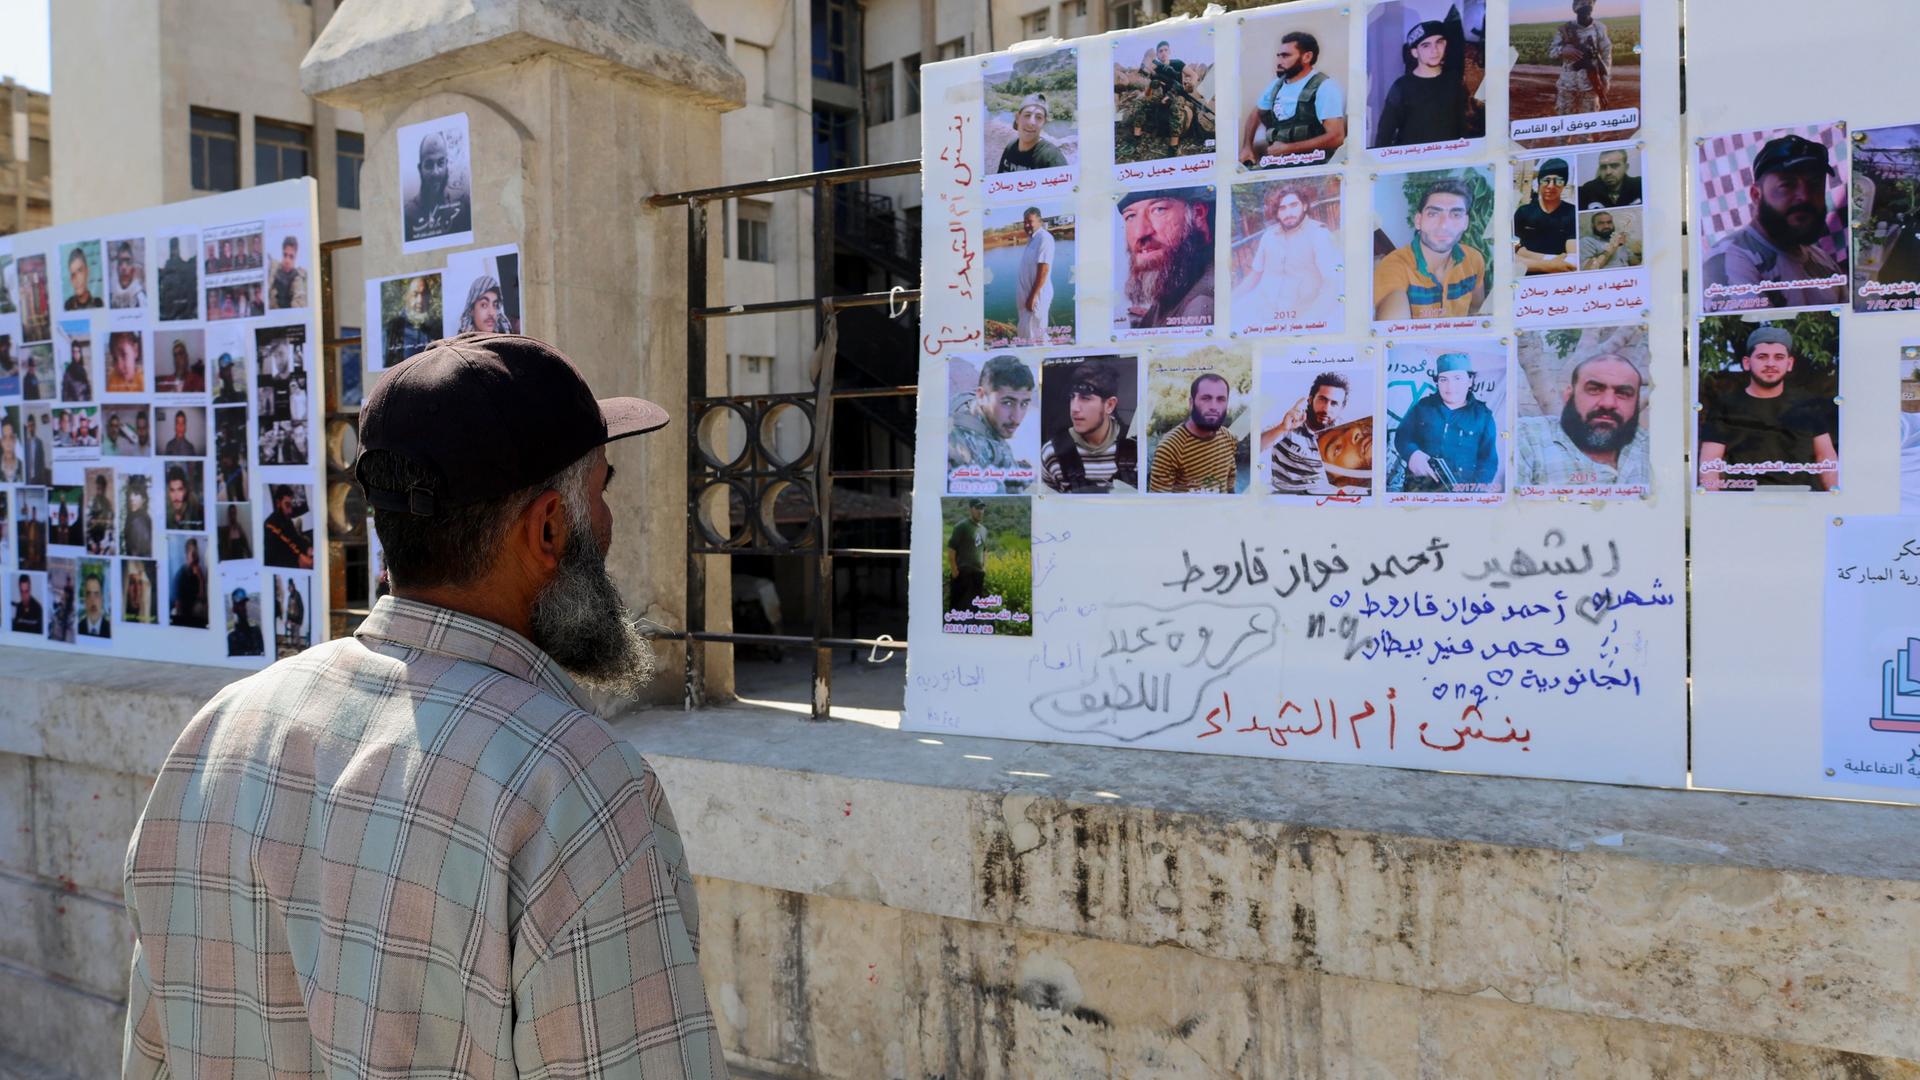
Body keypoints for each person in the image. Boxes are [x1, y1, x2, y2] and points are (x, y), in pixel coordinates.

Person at [124, 332, 720, 1077]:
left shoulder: (217, 733)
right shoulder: (575, 789)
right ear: (547, 529)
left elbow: (153, 1051)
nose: (607, 522)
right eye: (601, 491)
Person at [1703, 135, 1847, 309]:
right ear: (1757, 195)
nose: (1804, 196)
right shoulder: (1730, 260)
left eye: (1814, 185)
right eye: (1787, 185)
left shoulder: (1824, 262)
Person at [1698, 326, 1838, 490]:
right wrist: (1715, 508)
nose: (1770, 363)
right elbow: (1710, 463)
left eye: (1778, 357)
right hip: (1744, 504)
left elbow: (1826, 458)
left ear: (1789, 363)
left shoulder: (1808, 405)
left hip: (1802, 501)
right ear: (1747, 363)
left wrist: (1834, 498)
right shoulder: (1725, 406)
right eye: (1762, 357)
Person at [1515, 353, 1651, 489]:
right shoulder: (1526, 436)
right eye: (1595, 389)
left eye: (1623, 393)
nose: (1608, 403)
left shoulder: (1651, 448)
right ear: (1569, 396)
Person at [1374, 178, 1488, 320]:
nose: (1444, 225)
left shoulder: (1474, 259)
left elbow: (1476, 309)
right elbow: (1393, 329)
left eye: (1456, 214)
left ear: (1466, 223)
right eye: (1433, 214)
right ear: (1418, 221)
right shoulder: (1393, 266)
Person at [1393, 352, 1498, 492]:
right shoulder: (1423, 406)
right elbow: (1402, 437)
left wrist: (1474, 493)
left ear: (1470, 380)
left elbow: (1488, 461)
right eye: (1443, 379)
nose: (1450, 386)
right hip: (1418, 490)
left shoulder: (1483, 415)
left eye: (1457, 378)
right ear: (1437, 382)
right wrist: (1413, 454)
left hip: (1459, 495)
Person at [1236, 183, 1340, 325]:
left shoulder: (1319, 235)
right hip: (1265, 314)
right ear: (1277, 213)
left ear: (1304, 206)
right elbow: (1255, 275)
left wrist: (1308, 321)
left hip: (1303, 316)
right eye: (1282, 208)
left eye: (1293, 205)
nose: (1288, 213)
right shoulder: (1269, 236)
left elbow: (1332, 284)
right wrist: (1229, 301)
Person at [1240, 30, 1347, 167]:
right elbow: (1256, 113)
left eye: (1285, 56)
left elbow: (1336, 137)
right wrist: (1247, 147)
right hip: (1278, 164)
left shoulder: (1325, 87)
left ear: (1307, 57)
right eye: (1278, 56)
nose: (1279, 62)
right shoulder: (1276, 86)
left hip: (1314, 166)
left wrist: (1288, 148)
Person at [1119, 188, 1215, 328]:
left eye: (1159, 210)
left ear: (1198, 213)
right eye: (1131, 216)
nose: (1140, 232)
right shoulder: (1176, 282)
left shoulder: (1201, 305)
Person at [1041, 362, 1138, 493]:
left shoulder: (1138, 449)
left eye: (1085, 398)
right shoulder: (1052, 454)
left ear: (1109, 405)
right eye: (1072, 397)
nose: (1074, 408)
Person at [947, 355, 1035, 494]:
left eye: (1024, 403)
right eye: (1007, 402)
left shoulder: (970, 406)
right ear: (981, 396)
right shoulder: (966, 442)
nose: (1017, 417)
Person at [1374, 20, 1467, 147]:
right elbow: (1384, 135)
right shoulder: (1401, 87)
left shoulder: (1454, 81)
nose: (1434, 50)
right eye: (1426, 45)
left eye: (1439, 42)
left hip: (1450, 159)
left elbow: (1463, 127)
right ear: (1414, 52)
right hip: (1412, 160)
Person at [1148, 373, 1238, 493]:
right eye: (1206, 398)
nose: (1214, 406)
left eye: (1221, 399)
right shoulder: (1170, 447)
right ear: (1191, 403)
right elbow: (1158, 504)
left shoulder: (1228, 438)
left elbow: (1230, 487)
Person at [1267, 371, 1350, 495]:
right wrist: (1282, 428)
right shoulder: (1289, 422)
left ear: (1342, 407)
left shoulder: (1345, 432)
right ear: (1311, 400)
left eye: (1334, 403)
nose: (1326, 409)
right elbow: (1256, 447)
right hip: (1285, 498)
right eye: (1322, 399)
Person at [1549, 1, 1612, 125]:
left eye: (1589, 5)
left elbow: (1606, 55)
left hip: (1591, 86)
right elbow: (1551, 52)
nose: (1586, 8)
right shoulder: (1565, 29)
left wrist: (1606, 78)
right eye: (1582, 5)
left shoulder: (1599, 28)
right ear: (1575, 9)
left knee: (1588, 127)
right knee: (1563, 126)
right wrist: (1563, 50)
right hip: (1567, 86)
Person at [1513, 158, 1578, 276]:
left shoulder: (1572, 213)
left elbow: (1572, 261)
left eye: (1558, 181)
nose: (1551, 186)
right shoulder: (1523, 212)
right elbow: (1510, 254)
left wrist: (1526, 254)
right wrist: (1549, 264)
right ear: (1538, 182)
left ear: (1564, 185)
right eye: (1546, 180)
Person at [403, 132, 473, 240]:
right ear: (420, 169)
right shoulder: (407, 216)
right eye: (429, 165)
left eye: (440, 163)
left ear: (446, 164)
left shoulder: (463, 203)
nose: (436, 172)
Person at [996, 92, 1068, 173]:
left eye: (1038, 117)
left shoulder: (1052, 157)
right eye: (1027, 115)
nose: (1031, 123)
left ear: (1044, 123)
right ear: (1017, 118)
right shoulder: (1010, 147)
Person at [1014, 207, 1055, 345]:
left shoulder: (1045, 238)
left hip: (1037, 295)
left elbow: (1043, 269)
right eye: (1024, 222)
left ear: (1040, 221)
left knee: (1037, 335)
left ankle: (1041, 361)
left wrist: (1033, 296)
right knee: (1027, 332)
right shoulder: (1032, 239)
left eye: (1030, 221)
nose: (1026, 225)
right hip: (1027, 295)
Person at [385, 275, 440, 368]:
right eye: (415, 294)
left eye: (424, 294)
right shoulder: (392, 330)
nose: (420, 300)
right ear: (406, 296)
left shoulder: (437, 327)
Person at [947, 497, 990, 616]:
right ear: (971, 509)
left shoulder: (984, 530)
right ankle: (954, 628)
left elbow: (985, 550)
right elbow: (951, 549)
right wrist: (954, 569)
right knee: (957, 605)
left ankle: (972, 629)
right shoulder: (961, 526)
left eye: (982, 509)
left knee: (975, 606)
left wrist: (984, 567)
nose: (980, 511)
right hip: (962, 572)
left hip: (978, 573)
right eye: (977, 508)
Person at [263, 484, 313, 569]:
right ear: (278, 503)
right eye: (287, 505)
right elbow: (287, 543)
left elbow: (295, 538)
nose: (290, 510)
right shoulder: (270, 524)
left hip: (292, 558)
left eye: (291, 505)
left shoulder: (287, 520)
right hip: (280, 565)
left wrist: (307, 548)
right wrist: (299, 557)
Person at [1578, 148, 1643, 209]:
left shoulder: (1640, 185)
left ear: (1626, 167)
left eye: (1614, 166)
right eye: (1603, 167)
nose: (1608, 172)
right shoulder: (1587, 190)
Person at [168, 536, 208, 627]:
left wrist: (200, 578)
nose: (196, 557)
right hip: (181, 611)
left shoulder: (198, 572)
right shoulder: (181, 575)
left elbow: (202, 597)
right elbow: (178, 605)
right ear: (187, 555)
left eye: (197, 554)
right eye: (193, 554)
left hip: (192, 607)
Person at [155, 237, 195, 318]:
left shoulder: (183, 266)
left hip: (182, 307)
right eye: (172, 248)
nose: (173, 251)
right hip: (170, 307)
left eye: (174, 248)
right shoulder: (168, 265)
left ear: (177, 248)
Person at [270, 236, 308, 310]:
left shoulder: (297, 277)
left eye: (291, 257)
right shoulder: (274, 273)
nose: (287, 260)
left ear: (295, 257)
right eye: (285, 255)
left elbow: (299, 303)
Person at [225, 588, 263, 656]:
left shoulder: (256, 630)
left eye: (245, 604)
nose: (244, 607)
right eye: (241, 605)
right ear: (234, 608)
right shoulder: (232, 636)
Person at [165, 464, 203, 530]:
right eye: (172, 490)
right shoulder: (163, 510)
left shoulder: (194, 506)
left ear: (185, 490)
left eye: (180, 489)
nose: (176, 496)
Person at [123, 476, 153, 558]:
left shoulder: (139, 521)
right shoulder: (133, 517)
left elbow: (138, 554)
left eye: (136, 494)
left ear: (144, 499)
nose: (131, 498)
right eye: (130, 493)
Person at [110, 241, 145, 309]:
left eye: (128, 262)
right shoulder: (111, 299)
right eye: (120, 262)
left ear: (134, 268)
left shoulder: (140, 299)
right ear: (116, 268)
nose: (124, 267)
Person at [86, 474, 114, 554]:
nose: (100, 492)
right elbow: (86, 524)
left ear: (105, 488)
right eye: (98, 489)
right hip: (92, 541)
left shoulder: (107, 503)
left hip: (104, 542)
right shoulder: (92, 502)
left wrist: (105, 543)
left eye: (102, 489)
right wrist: (91, 543)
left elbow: (109, 525)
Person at [76, 570, 109, 638]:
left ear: (102, 599)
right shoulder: (77, 629)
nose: (92, 600)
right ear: (84, 599)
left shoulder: (111, 630)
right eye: (88, 594)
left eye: (96, 594)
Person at [61, 336, 93, 402]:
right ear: (71, 354)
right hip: (74, 408)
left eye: (78, 352)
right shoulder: (68, 372)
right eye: (74, 352)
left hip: (85, 407)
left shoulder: (83, 370)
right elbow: (65, 394)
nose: (76, 354)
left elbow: (88, 392)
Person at [22, 414, 48, 486]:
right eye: (29, 425)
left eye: (33, 425)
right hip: (26, 479)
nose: (31, 428)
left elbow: (42, 463)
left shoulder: (39, 442)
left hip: (37, 479)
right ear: (27, 427)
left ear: (35, 426)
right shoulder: (23, 443)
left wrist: (43, 482)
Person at [0, 415, 20, 483]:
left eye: (11, 437)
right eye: (4, 437)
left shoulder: (23, 465)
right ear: (0, 441)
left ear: (15, 440)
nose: (8, 443)